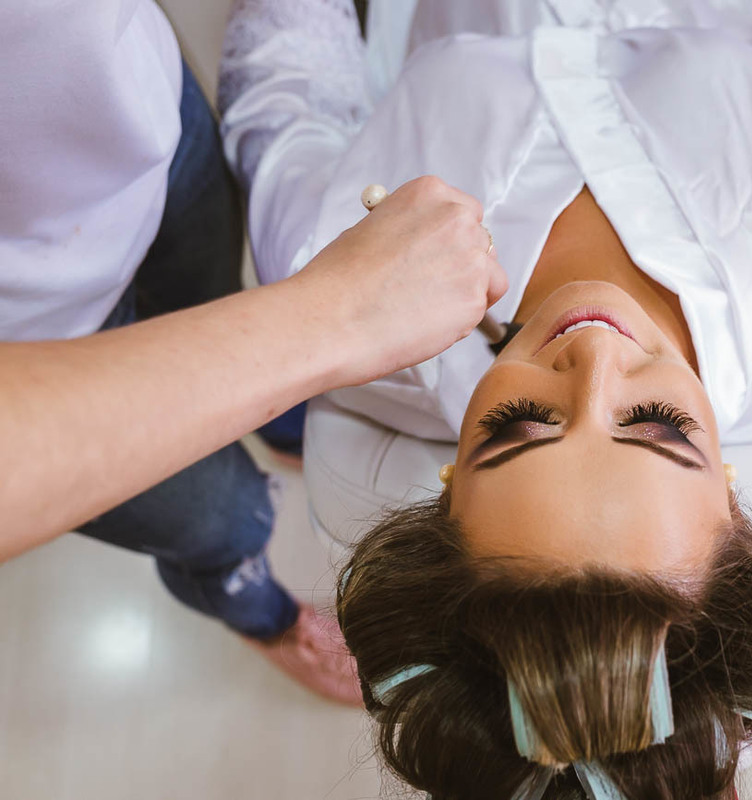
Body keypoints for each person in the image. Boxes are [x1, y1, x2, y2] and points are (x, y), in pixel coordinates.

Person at [219, 0, 752, 795]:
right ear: (734, 506)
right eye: (659, 426)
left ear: (448, 485)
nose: (594, 354)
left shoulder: (333, 282)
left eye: (521, 423)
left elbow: (289, 76)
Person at [0, 1, 502, 706]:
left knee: (211, 286)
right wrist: (330, 318)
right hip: (28, 366)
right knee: (226, 518)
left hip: (130, 113)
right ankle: (263, 617)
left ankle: (277, 419)